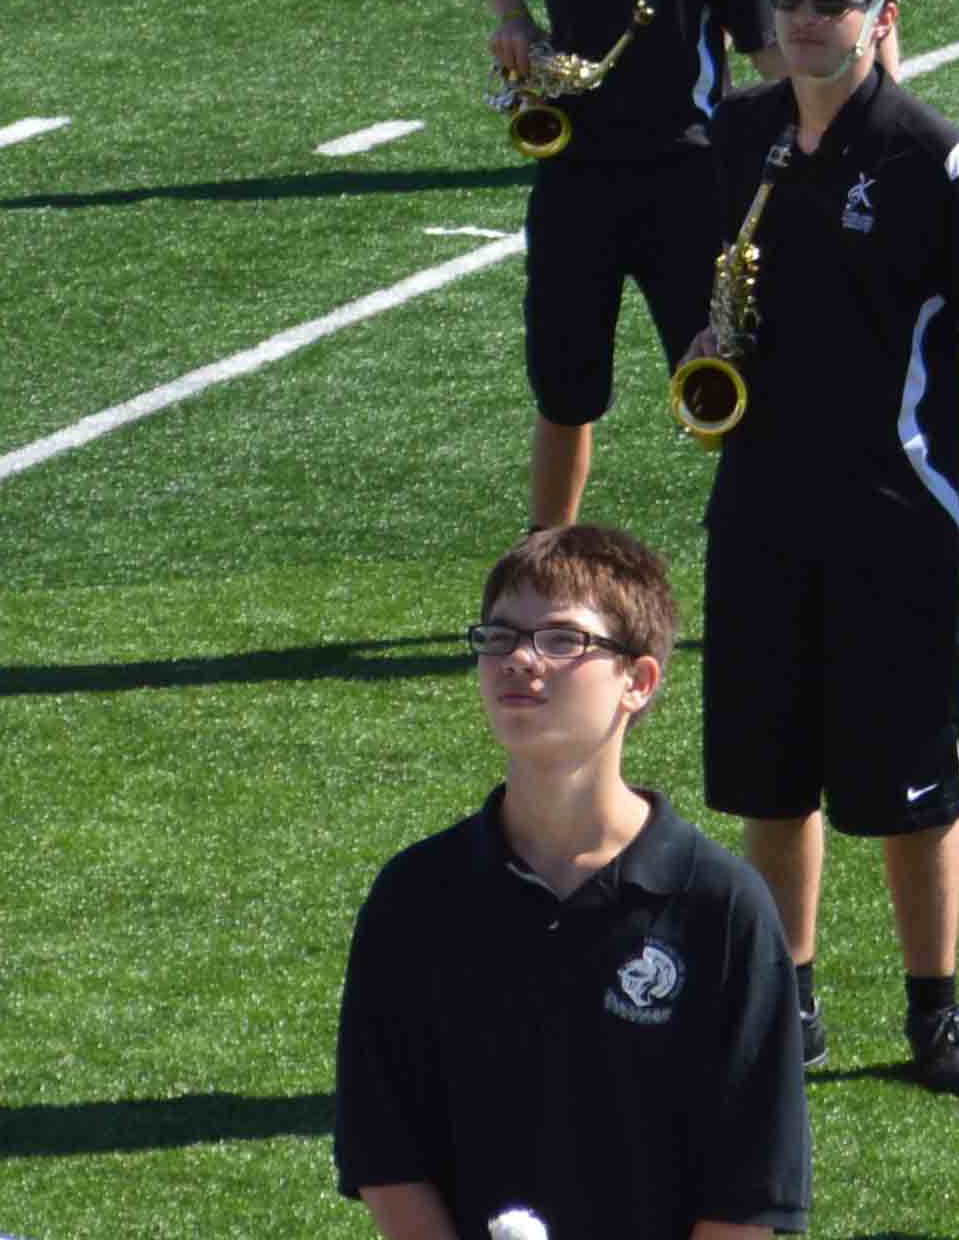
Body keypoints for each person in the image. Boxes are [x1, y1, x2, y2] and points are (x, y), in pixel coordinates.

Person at [693, 0, 959, 1096]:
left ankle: (934, 1012)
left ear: (880, 12)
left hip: (895, 520)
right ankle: (785, 998)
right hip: (758, 505)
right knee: (769, 774)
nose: (805, 20)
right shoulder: (741, 135)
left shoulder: (929, 155)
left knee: (911, 784)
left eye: (831, 2)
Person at [334, 521, 806, 1240]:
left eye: (562, 640)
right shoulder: (417, 897)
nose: (520, 660)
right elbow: (385, 1150)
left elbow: (749, 1186)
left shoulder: (720, 907)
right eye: (499, 637)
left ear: (638, 682)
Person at [476, 0, 775, 525]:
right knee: (565, 391)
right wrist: (513, 20)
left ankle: (761, 551)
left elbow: (762, 47)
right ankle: (546, 559)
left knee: (721, 375)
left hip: (685, 179)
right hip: (574, 179)